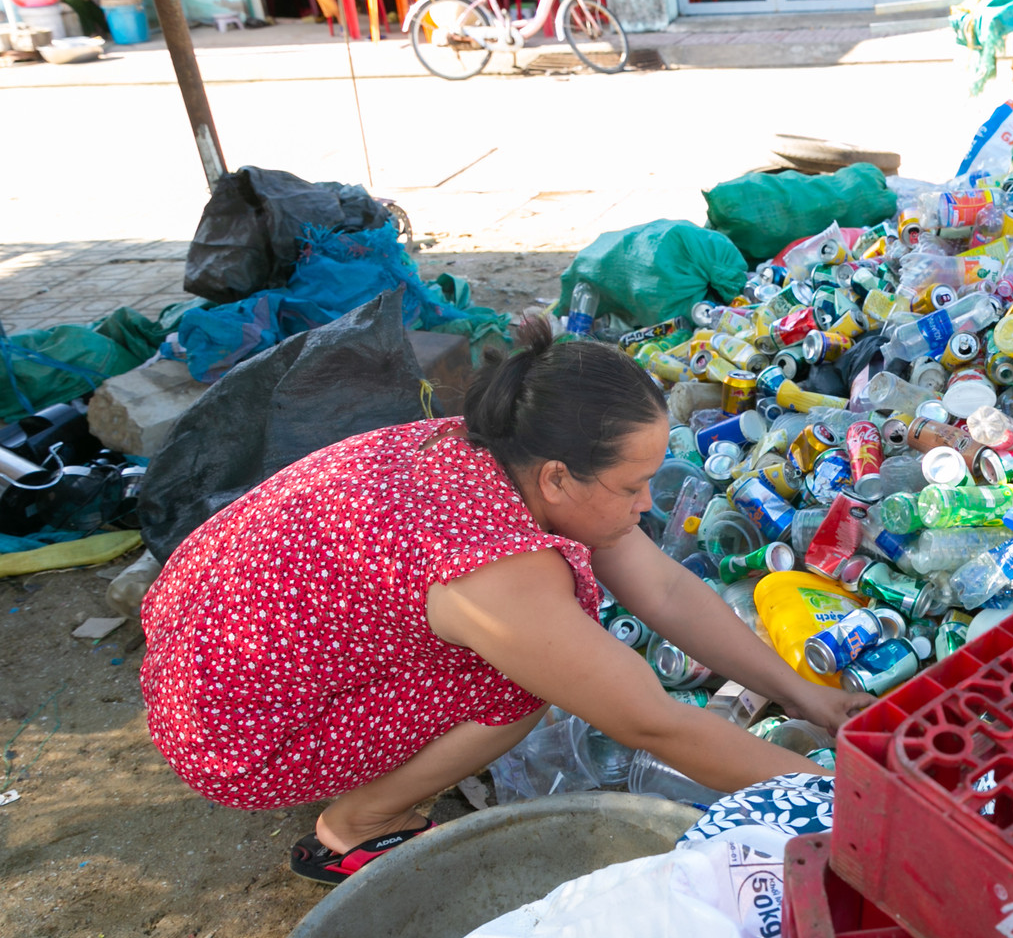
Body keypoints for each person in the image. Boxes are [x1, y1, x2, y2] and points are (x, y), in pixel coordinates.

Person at [141, 318, 872, 885]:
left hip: (198, 646)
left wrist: (808, 696)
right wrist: (853, 798)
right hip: (229, 732)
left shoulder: (499, 447)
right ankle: (355, 827)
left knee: (539, 649)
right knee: (519, 680)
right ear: (558, 478)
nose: (650, 503)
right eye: (631, 486)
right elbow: (655, 724)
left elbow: (669, 587)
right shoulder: (502, 571)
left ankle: (356, 762)